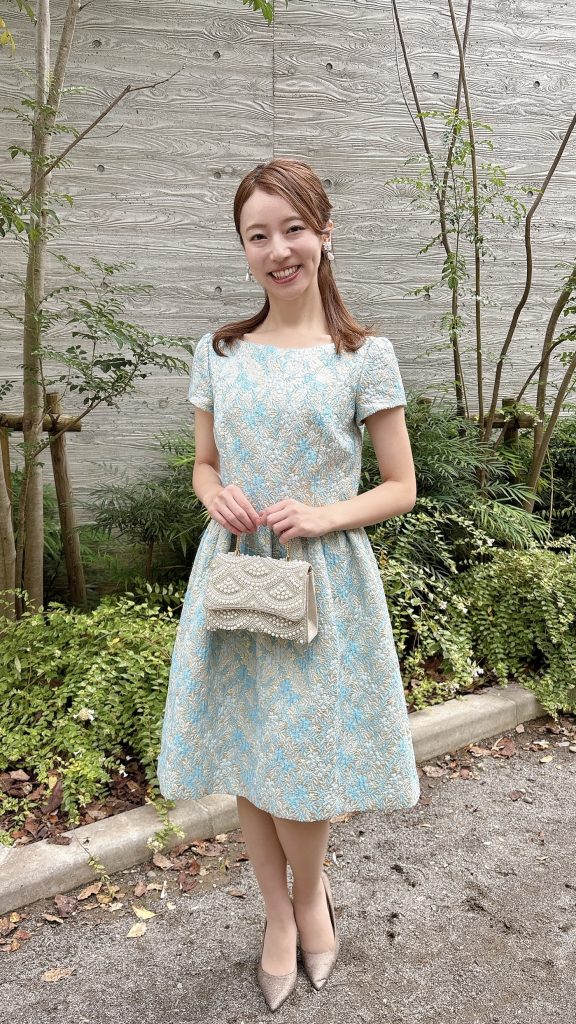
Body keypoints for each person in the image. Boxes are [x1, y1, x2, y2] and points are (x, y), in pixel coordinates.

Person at [157, 157, 420, 1011]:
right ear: (243, 248)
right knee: (250, 746)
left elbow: (400, 486)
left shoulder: (363, 356)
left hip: (322, 581)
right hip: (236, 572)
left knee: (301, 758)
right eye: (257, 235)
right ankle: (277, 913)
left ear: (324, 234)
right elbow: (204, 464)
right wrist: (214, 493)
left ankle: (311, 899)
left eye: (293, 229)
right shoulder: (220, 352)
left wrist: (324, 513)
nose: (278, 249)